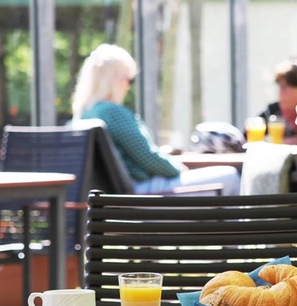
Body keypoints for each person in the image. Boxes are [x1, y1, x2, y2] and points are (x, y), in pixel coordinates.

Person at [71, 44, 240, 195]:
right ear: (114, 79)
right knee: (230, 176)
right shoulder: (113, 112)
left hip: (119, 195)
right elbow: (149, 158)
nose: (128, 86)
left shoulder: (86, 113)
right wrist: (180, 169)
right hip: (143, 193)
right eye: (128, 79)